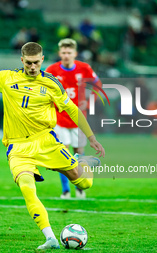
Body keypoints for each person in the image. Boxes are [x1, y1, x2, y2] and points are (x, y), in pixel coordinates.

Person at [0, 42, 105, 250]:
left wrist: (91, 137)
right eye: (29, 63)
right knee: (26, 187)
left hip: (46, 142)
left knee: (85, 184)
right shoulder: (6, 78)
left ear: (42, 60)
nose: (32, 67)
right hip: (18, 148)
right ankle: (50, 238)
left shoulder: (52, 83)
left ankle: (83, 162)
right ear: (22, 60)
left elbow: (72, 110)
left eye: (36, 63)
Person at [46, 38, 102, 199]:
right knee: (63, 154)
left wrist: (89, 102)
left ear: (75, 54)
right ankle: (65, 190)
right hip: (60, 119)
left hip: (78, 119)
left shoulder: (84, 68)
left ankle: (79, 187)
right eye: (63, 52)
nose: (66, 55)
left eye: (69, 52)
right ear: (59, 53)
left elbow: (98, 85)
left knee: (79, 152)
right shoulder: (52, 70)